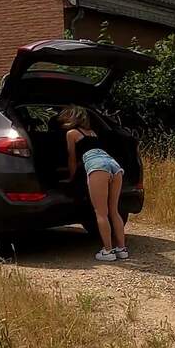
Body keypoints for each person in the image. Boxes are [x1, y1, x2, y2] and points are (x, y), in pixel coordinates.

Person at [59, 105, 129, 262]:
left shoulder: (71, 134)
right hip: (114, 165)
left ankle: (107, 251)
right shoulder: (92, 133)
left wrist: (71, 177)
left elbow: (72, 158)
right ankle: (122, 248)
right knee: (114, 211)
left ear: (71, 118)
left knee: (101, 212)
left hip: (97, 166)